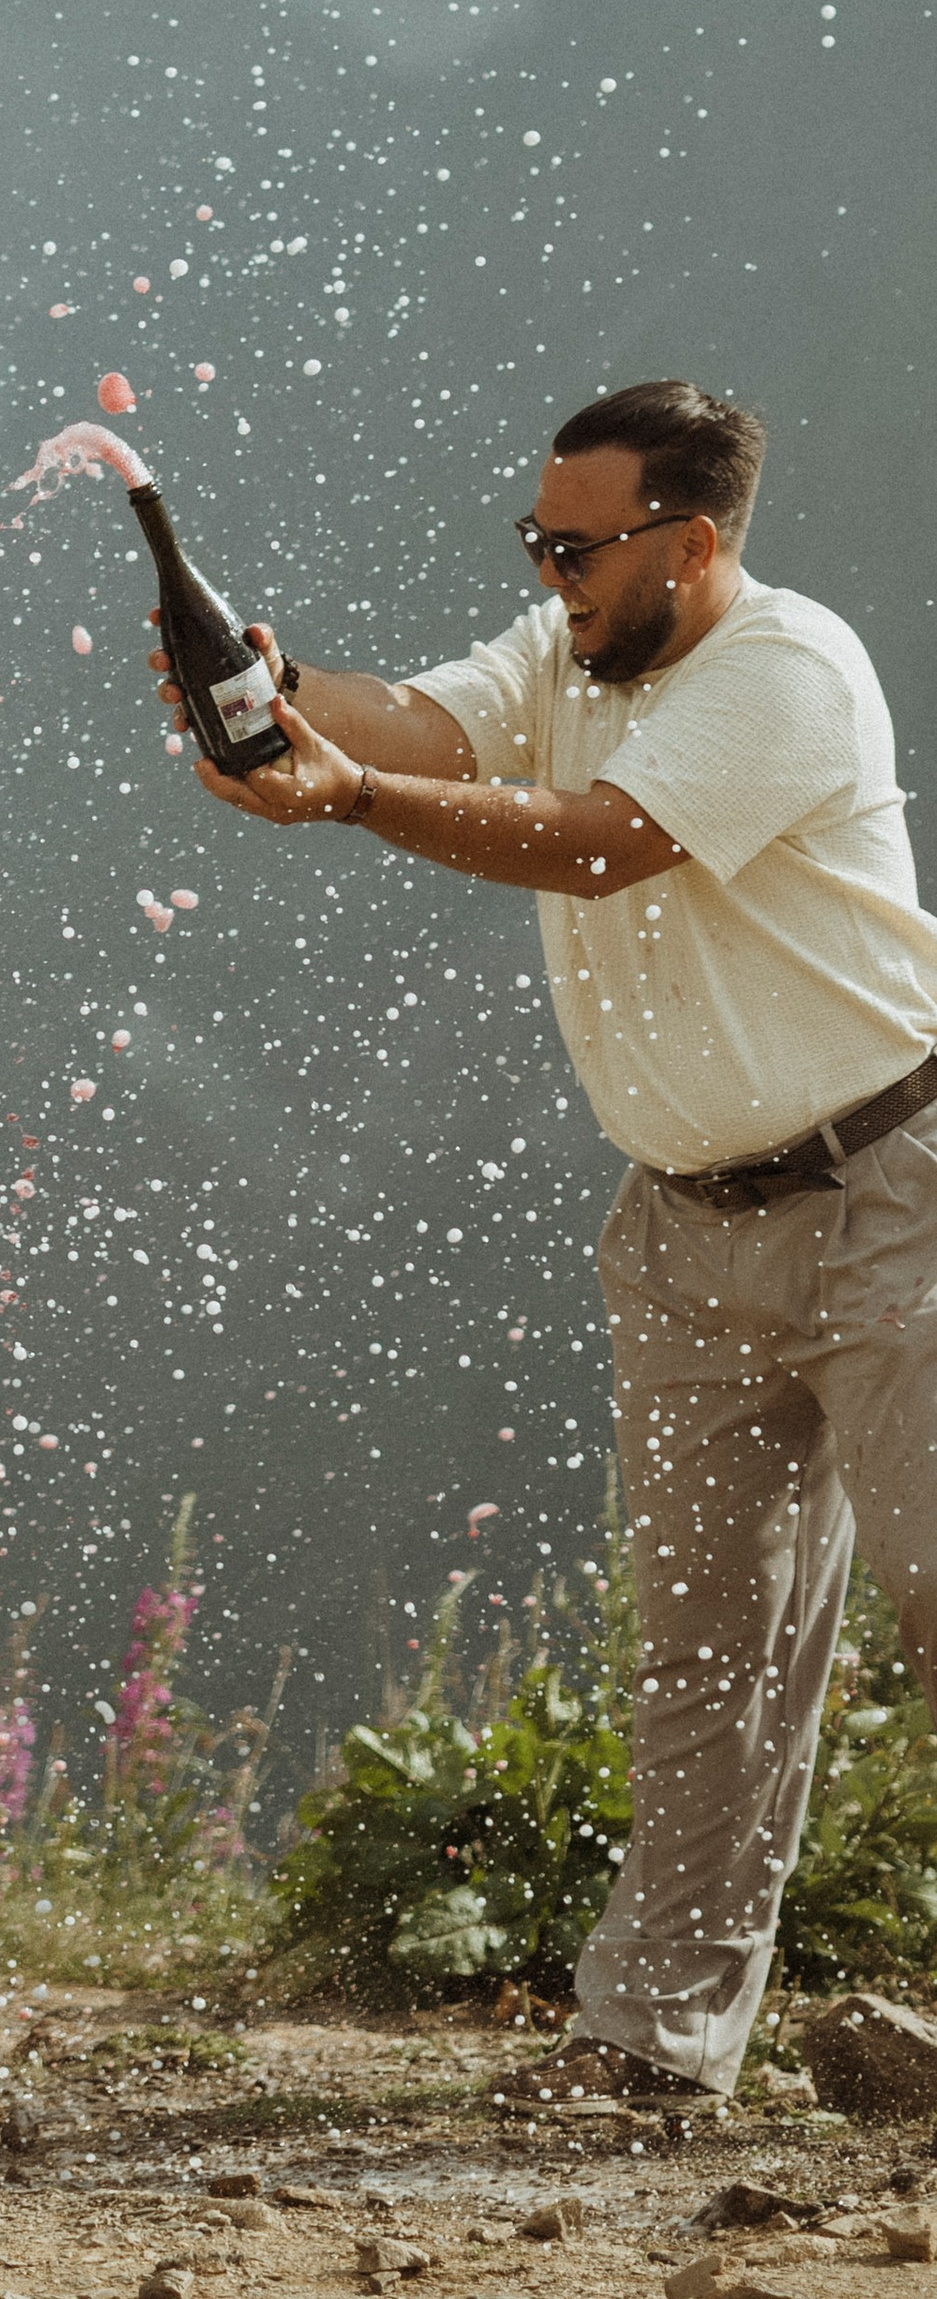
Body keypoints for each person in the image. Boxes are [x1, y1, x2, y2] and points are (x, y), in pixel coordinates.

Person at [164, 378, 937, 2104]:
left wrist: (346, 796)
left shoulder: (784, 669)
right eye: (539, 541)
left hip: (897, 1189)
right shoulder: (572, 647)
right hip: (684, 1222)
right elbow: (430, 721)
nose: (553, 572)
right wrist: (286, 698)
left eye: (578, 547)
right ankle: (656, 2049)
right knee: (701, 1654)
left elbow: (603, 849)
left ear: (697, 537)